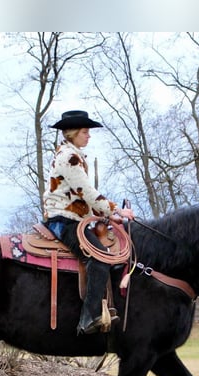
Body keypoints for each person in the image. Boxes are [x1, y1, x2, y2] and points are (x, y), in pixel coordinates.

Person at [43, 110, 135, 335]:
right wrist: (116, 209)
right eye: (85, 132)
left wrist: (108, 216)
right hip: (64, 221)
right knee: (100, 256)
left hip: (74, 218)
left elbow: (82, 197)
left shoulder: (71, 154)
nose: (89, 136)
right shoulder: (69, 157)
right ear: (74, 133)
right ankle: (88, 318)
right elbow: (87, 192)